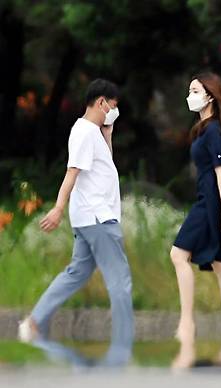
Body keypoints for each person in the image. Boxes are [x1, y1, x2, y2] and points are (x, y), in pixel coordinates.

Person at [17, 79, 133, 366]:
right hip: (98, 217)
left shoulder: (93, 132)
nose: (114, 112)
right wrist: (58, 207)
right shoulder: (83, 132)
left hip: (90, 217)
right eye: (113, 107)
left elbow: (104, 167)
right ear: (101, 102)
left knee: (76, 273)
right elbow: (72, 172)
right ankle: (124, 347)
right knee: (120, 280)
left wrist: (108, 133)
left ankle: (33, 322)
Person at [170, 72, 221, 368]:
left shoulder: (213, 131)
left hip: (211, 203)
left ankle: (187, 323)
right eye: (190, 90)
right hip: (207, 199)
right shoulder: (203, 128)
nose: (190, 95)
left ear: (210, 96)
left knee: (178, 255)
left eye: (195, 90)